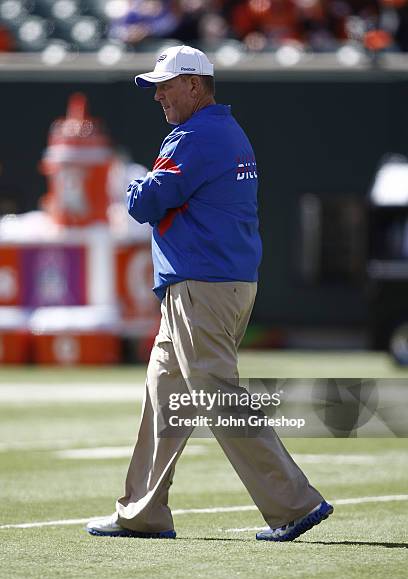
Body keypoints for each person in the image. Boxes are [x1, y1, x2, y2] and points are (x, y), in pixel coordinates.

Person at [86, 45, 333, 542]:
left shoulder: (194, 136)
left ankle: (294, 504)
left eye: (166, 84)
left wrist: (130, 184)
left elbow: (149, 201)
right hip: (213, 283)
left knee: (217, 395)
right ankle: (143, 513)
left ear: (195, 84)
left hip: (202, 286)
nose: (157, 95)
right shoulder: (225, 131)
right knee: (163, 395)